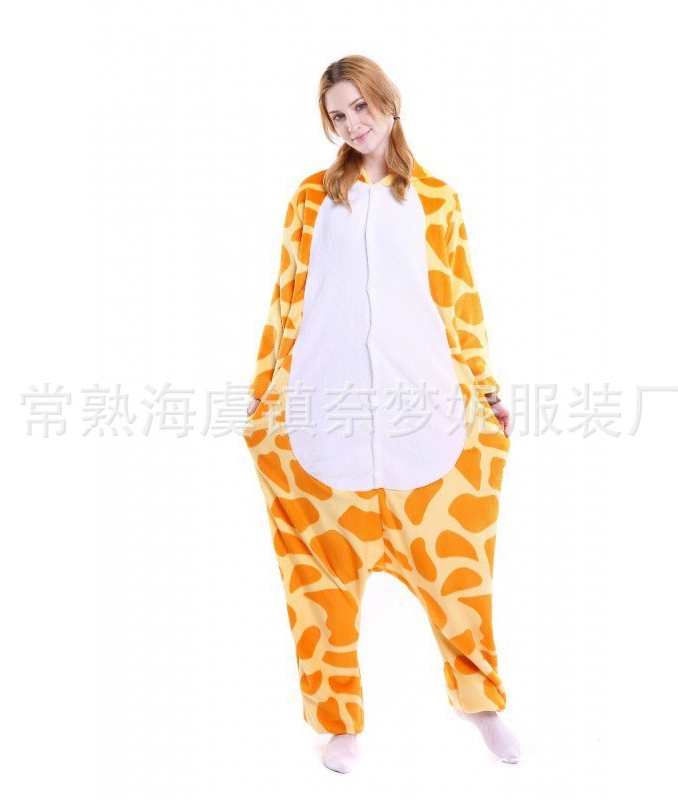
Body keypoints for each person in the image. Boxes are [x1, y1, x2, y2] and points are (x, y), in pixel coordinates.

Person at [242, 54, 520, 773]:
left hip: (422, 411)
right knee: (320, 587)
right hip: (325, 414)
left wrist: (486, 387)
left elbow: (459, 299)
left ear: (389, 103)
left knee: (458, 575)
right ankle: (338, 724)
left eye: (361, 107)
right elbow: (286, 296)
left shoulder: (437, 199)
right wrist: (262, 387)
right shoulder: (312, 198)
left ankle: (480, 703)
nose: (352, 124)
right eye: (338, 115)